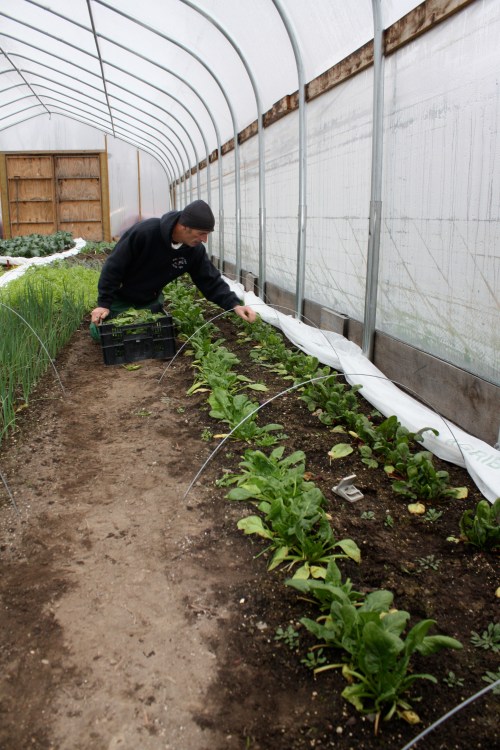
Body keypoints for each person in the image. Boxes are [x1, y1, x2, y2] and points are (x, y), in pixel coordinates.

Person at [90, 199, 257, 338]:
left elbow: (210, 280)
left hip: (149, 301)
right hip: (119, 298)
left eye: (207, 234)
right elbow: (114, 267)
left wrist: (235, 305)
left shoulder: (194, 251)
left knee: (153, 335)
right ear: (184, 226)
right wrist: (103, 303)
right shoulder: (146, 232)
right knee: (104, 335)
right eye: (201, 233)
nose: (204, 239)